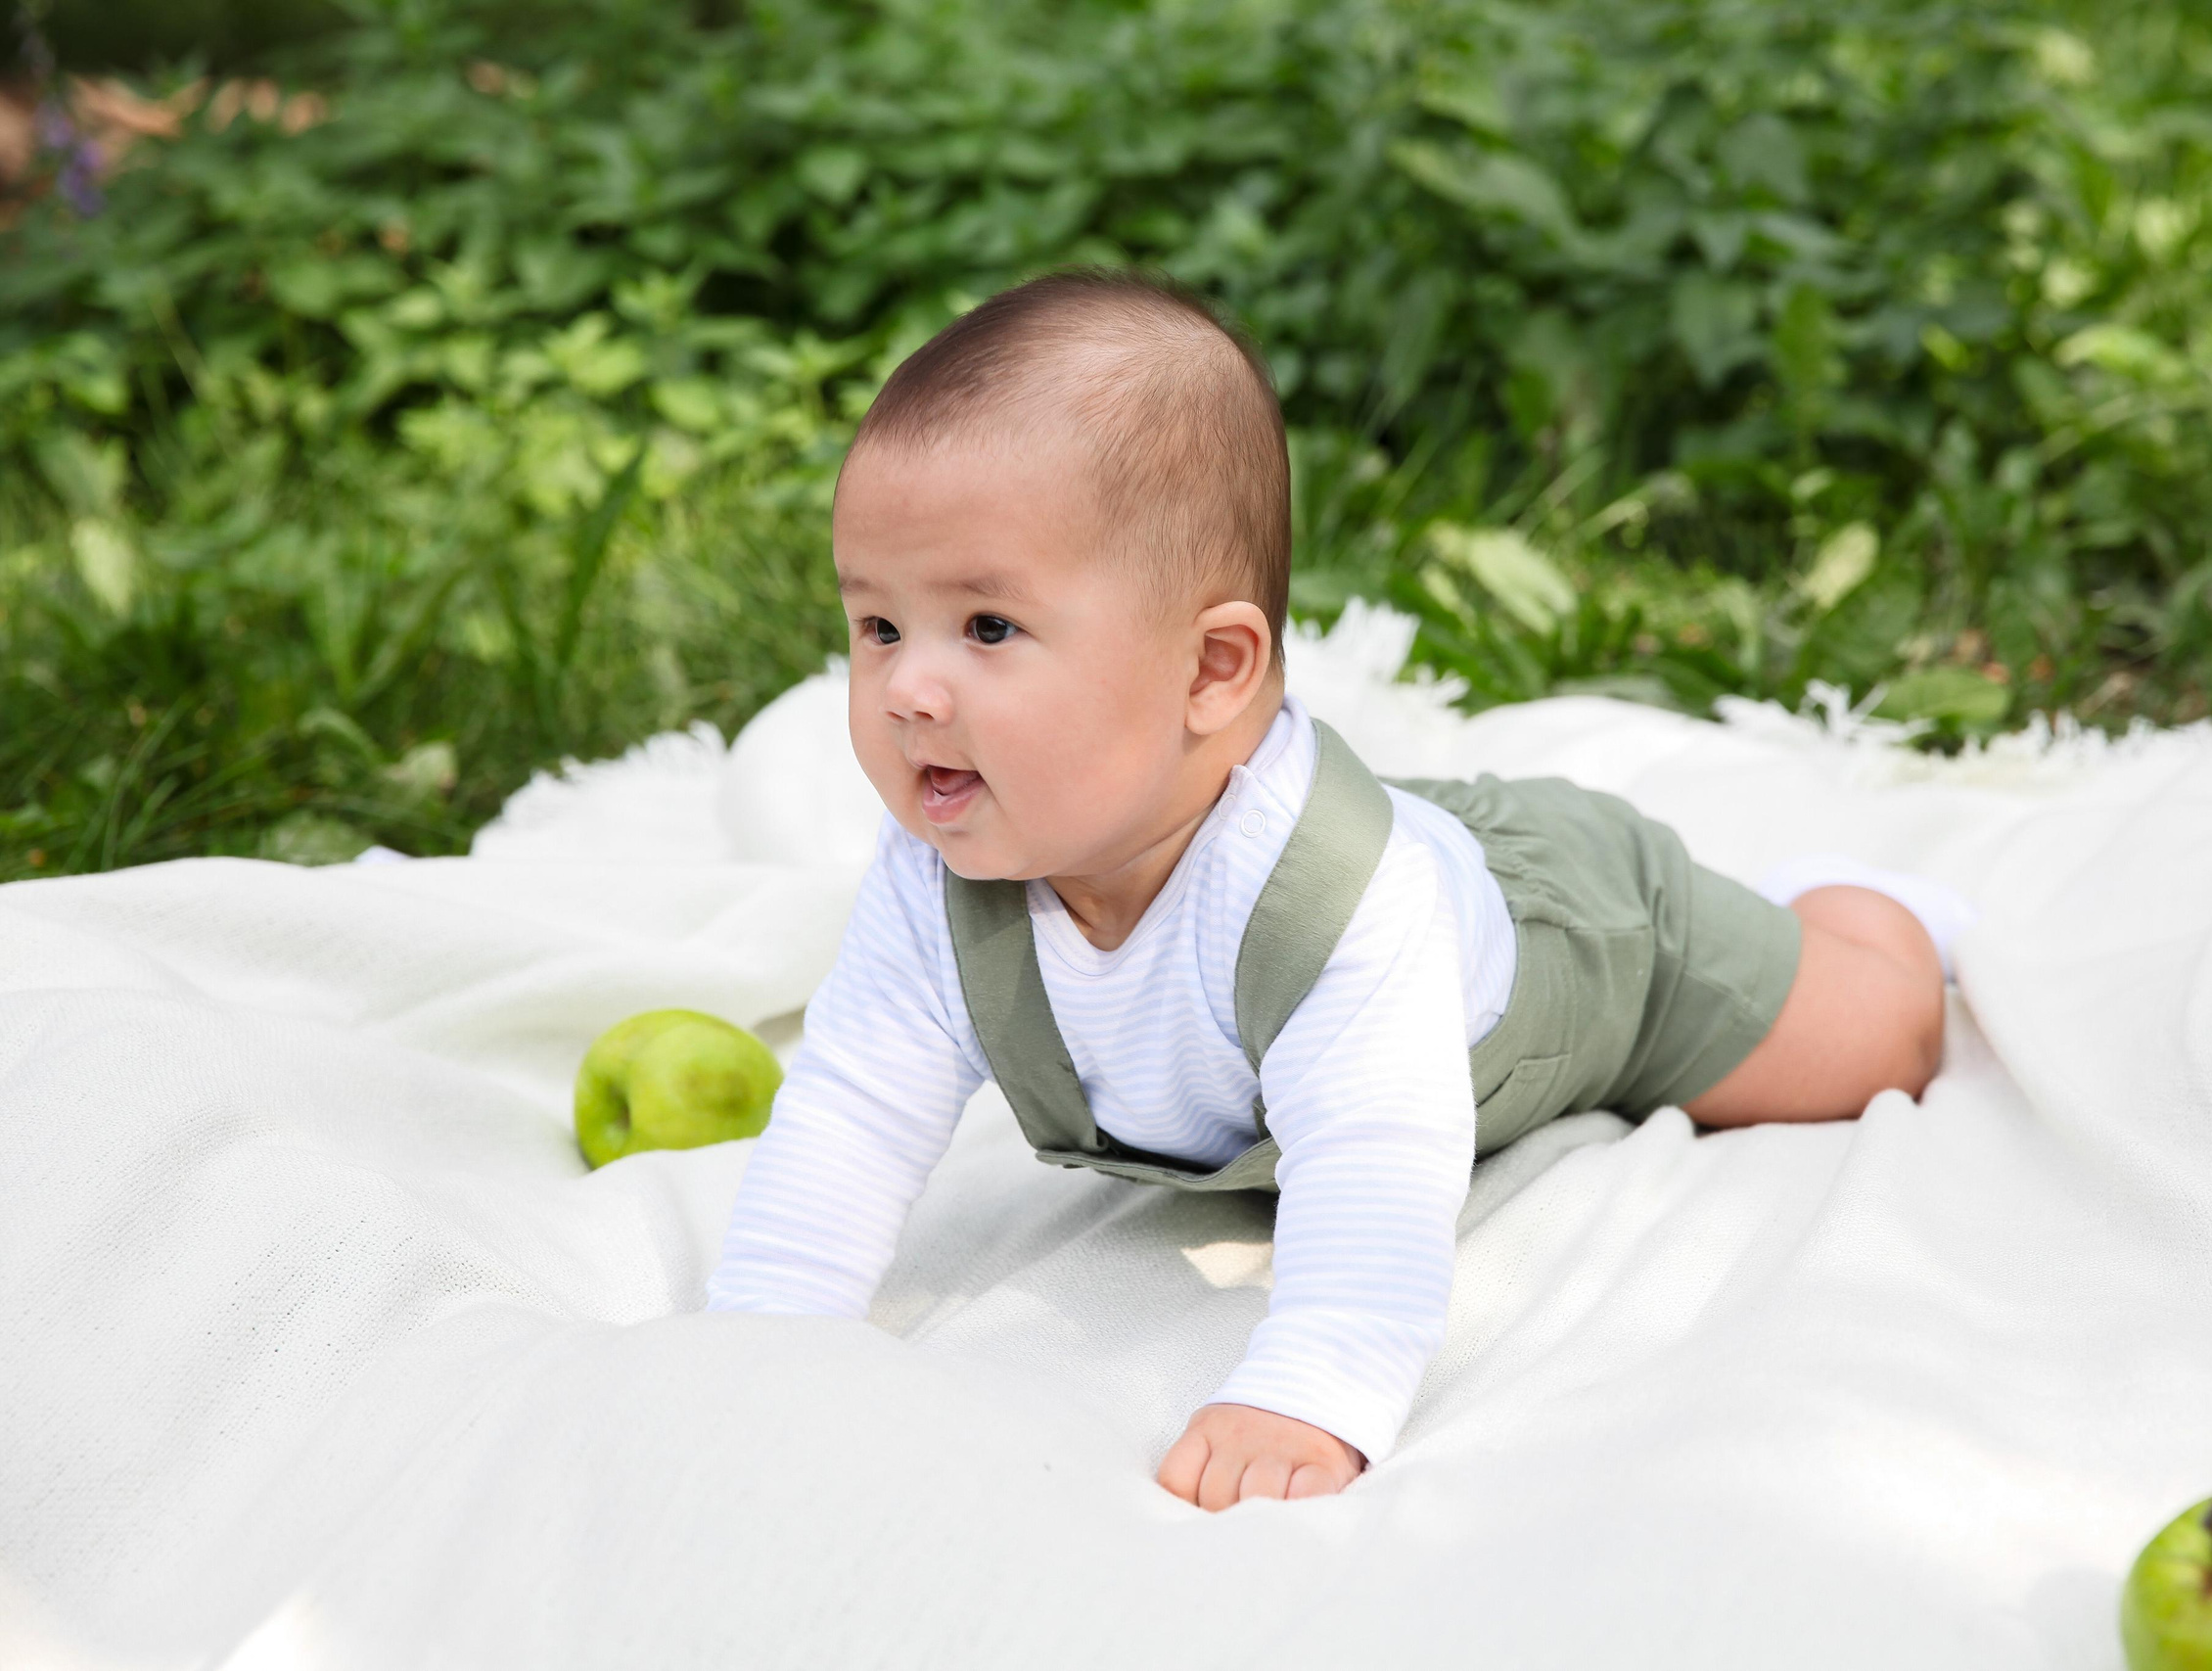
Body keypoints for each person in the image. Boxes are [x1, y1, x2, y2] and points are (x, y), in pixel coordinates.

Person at [706, 268, 1963, 1510]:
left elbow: (1377, 1154)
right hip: (1413, 882)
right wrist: (766, 1325)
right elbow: (853, 1103)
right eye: (877, 628)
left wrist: (1309, 1385)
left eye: (986, 629)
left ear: (1211, 670)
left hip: (1586, 941)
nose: (908, 692)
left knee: (1876, 1045)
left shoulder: (1334, 907)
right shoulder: (935, 878)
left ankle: (1853, 904)